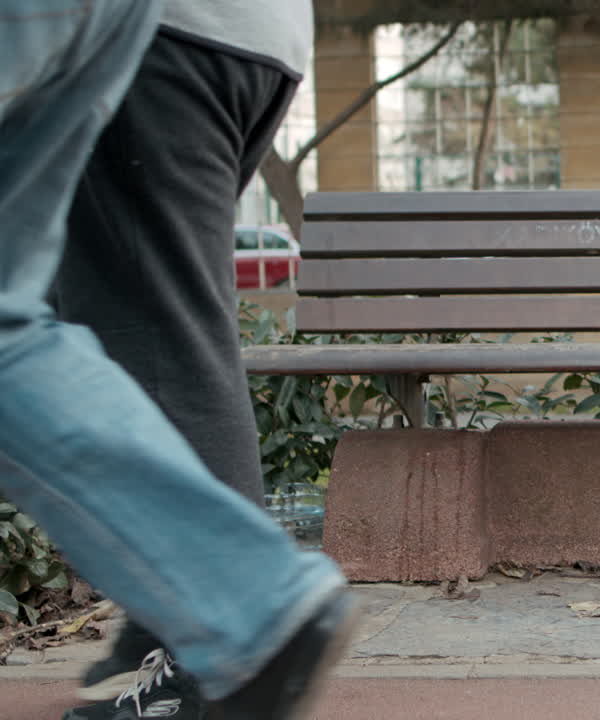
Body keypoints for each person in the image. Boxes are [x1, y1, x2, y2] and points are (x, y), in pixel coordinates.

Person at [0, 2, 356, 719]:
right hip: (235, 34)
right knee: (102, 324)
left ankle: (230, 625)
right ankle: (193, 622)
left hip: (177, 35)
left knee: (150, 336)